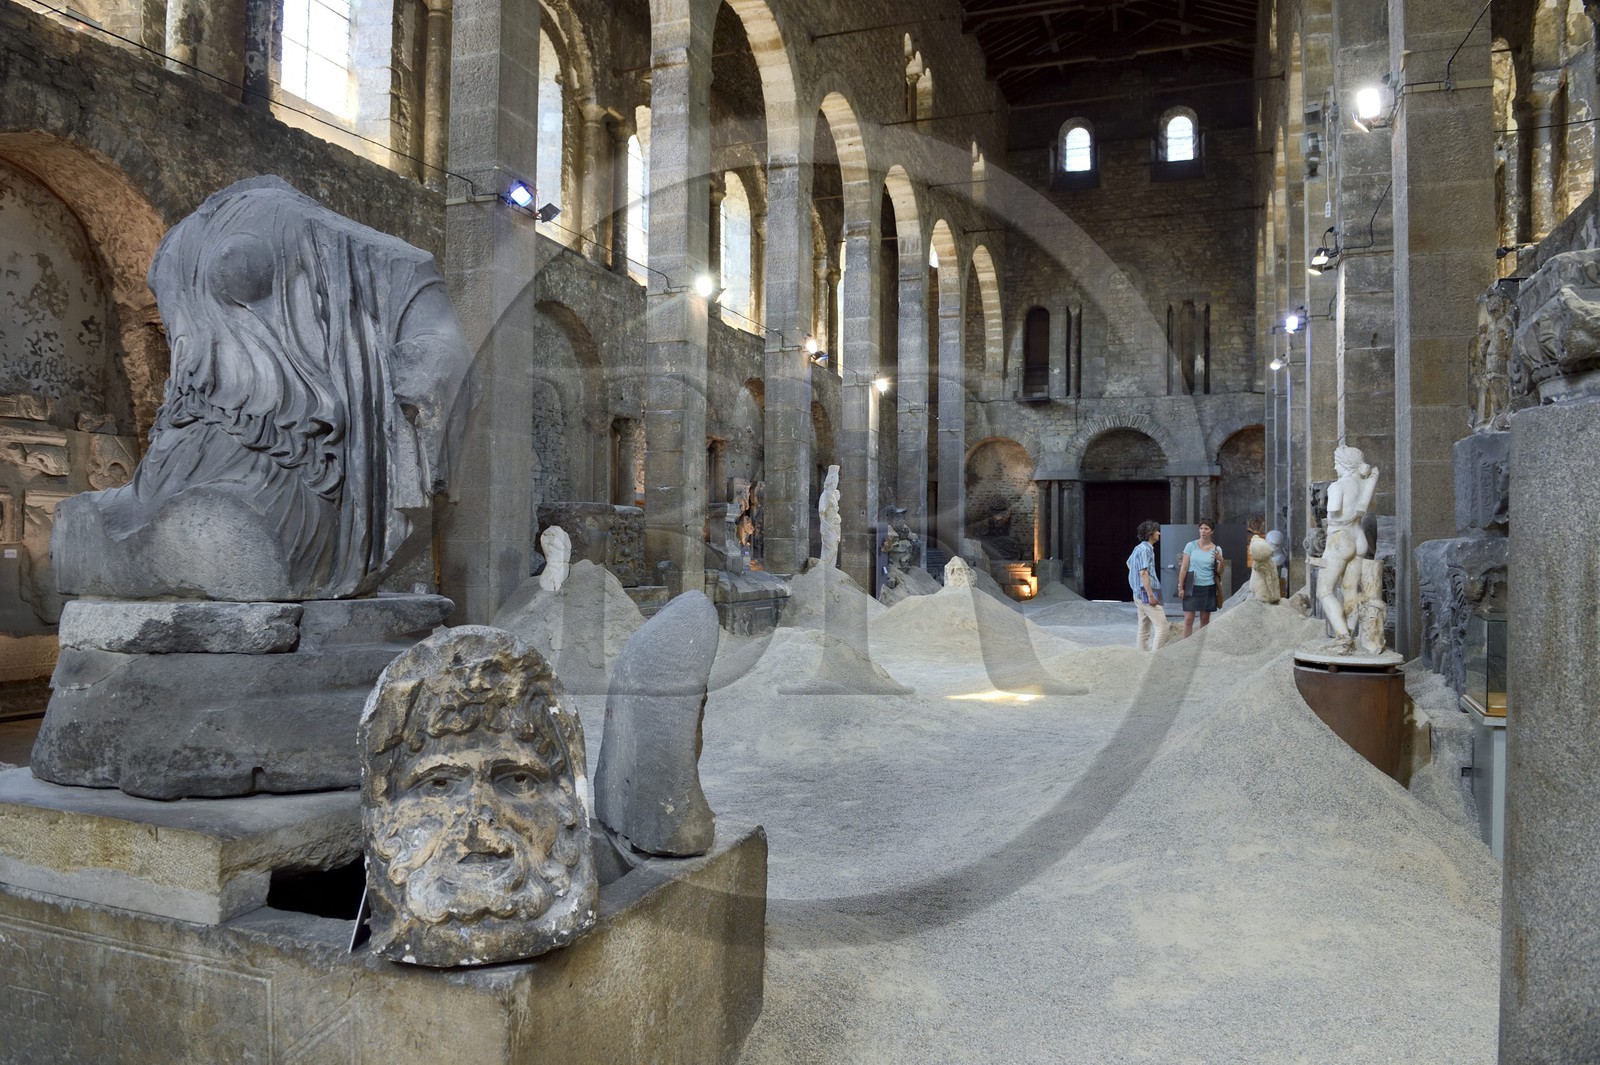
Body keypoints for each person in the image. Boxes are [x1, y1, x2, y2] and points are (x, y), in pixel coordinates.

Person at [1176, 519, 1225, 637]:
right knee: (1188, 619)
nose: (1203, 531)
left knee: (1204, 620)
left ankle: (1200, 646)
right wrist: (1180, 586)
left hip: (1208, 586)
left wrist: (1221, 560)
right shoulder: (1190, 545)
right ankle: (1185, 647)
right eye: (1201, 528)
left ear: (1212, 531)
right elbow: (1184, 567)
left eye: (1206, 529)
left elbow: (1219, 571)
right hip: (1191, 586)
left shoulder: (1217, 549)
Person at [1126, 520, 1166, 651]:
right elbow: (1143, 573)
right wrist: (1150, 595)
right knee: (1162, 627)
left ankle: (1142, 656)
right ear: (1150, 533)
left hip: (1139, 592)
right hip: (1148, 592)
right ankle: (1155, 658)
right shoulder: (1145, 550)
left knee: (1144, 627)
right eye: (1156, 531)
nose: (1159, 533)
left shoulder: (1138, 548)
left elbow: (1129, 563)